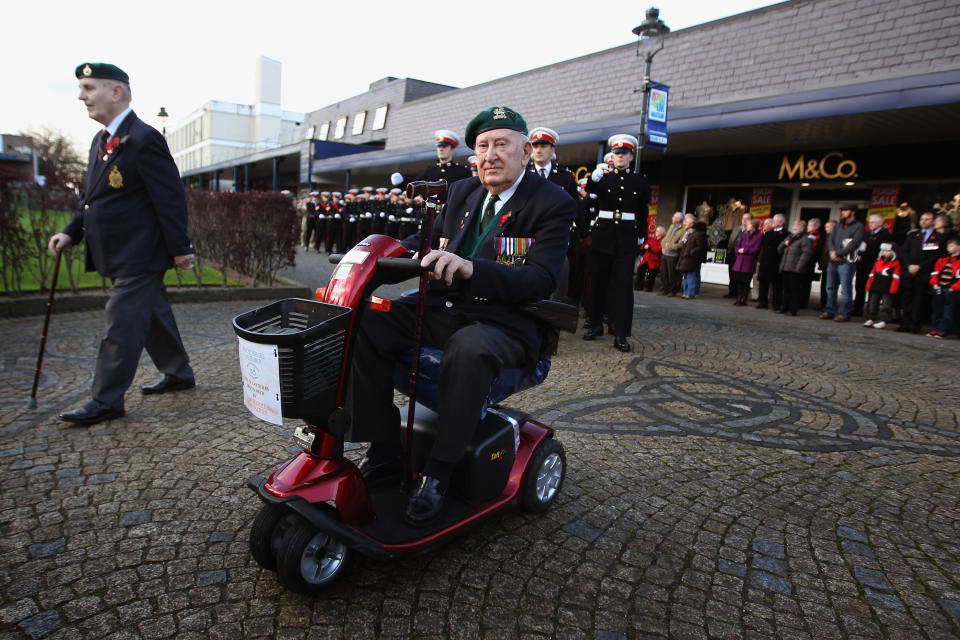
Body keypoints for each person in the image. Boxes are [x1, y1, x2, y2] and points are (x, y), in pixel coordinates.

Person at [349, 106, 576, 525]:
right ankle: (384, 450)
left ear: (526, 152)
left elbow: (541, 279)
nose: (489, 155)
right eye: (482, 146)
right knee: (366, 319)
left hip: (506, 323)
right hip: (445, 307)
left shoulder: (552, 203)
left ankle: (437, 474)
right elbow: (426, 239)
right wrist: (374, 256)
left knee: (468, 348)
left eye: (501, 145)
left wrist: (473, 268)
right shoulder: (463, 192)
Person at [48, 62, 195, 426]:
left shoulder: (144, 137)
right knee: (152, 316)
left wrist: (181, 248)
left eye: (89, 87)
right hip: (117, 252)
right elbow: (93, 198)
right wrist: (71, 231)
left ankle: (106, 399)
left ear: (116, 92)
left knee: (121, 324)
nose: (82, 96)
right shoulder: (101, 141)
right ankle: (179, 373)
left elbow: (170, 197)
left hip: (140, 253)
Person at [582, 134, 651, 351]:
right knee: (598, 282)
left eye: (624, 152)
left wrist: (641, 235)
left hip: (626, 237)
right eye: (616, 152)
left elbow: (643, 210)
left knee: (622, 287)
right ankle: (594, 324)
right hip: (603, 235)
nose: (620, 156)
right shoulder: (603, 177)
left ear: (631, 155)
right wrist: (593, 178)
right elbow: (591, 194)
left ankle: (621, 332)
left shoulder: (640, 180)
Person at [898, 211, 945, 333]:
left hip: (923, 273)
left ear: (933, 221)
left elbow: (935, 256)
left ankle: (915, 324)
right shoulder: (913, 235)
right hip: (909, 271)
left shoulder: (938, 237)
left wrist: (920, 266)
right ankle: (905, 323)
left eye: (927, 219)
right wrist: (909, 265)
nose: (923, 221)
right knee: (907, 298)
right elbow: (904, 251)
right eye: (922, 219)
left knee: (919, 300)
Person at [390, 129, 472, 195]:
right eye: (439, 146)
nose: (441, 149)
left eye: (444, 146)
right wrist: (402, 180)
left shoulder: (462, 171)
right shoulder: (430, 170)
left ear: (452, 150)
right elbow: (416, 184)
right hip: (431, 214)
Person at [820, 206, 865, 322]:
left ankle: (844, 313)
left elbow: (855, 243)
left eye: (846, 210)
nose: (843, 213)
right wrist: (831, 252)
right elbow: (831, 239)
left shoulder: (858, 226)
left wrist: (839, 253)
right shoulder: (839, 225)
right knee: (830, 287)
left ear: (852, 212)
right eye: (842, 211)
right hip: (833, 260)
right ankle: (829, 310)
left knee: (845, 288)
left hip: (847, 261)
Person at [853, 214, 893, 317]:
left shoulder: (885, 235)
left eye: (873, 222)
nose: (870, 224)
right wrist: (859, 255)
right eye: (869, 222)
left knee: (873, 289)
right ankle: (857, 309)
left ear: (880, 223)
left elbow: (880, 251)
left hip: (875, 266)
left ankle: (871, 311)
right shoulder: (866, 234)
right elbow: (860, 246)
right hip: (862, 265)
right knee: (860, 287)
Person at [776, 219, 814, 316]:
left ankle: (792, 309)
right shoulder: (790, 237)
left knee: (794, 290)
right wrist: (785, 244)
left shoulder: (804, 239)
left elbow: (806, 254)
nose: (794, 230)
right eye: (793, 228)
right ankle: (784, 307)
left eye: (796, 228)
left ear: (801, 229)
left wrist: (799, 267)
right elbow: (779, 249)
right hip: (786, 266)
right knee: (786, 289)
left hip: (795, 268)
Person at [927, 235, 960, 338]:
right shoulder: (943, 259)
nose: (949, 248)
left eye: (951, 246)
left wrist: (953, 288)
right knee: (937, 309)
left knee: (948, 310)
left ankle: (943, 329)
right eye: (948, 246)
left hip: (951, 288)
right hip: (940, 287)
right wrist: (934, 283)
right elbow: (935, 273)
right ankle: (935, 328)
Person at [864, 242, 901, 329]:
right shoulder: (878, 262)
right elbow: (872, 275)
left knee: (887, 304)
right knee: (873, 303)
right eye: (883, 250)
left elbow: (896, 277)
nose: (885, 252)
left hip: (887, 288)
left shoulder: (895, 264)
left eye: (888, 251)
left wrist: (893, 288)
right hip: (876, 286)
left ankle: (885, 320)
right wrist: (868, 285)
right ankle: (871, 318)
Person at [756, 214, 787, 310]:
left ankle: (776, 304)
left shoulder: (786, 234)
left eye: (775, 220)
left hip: (776, 262)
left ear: (781, 222)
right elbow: (764, 248)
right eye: (773, 220)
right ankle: (762, 302)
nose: (773, 222)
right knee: (763, 283)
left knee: (776, 285)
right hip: (765, 262)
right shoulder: (768, 233)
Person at [731, 217, 762, 306]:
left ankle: (743, 299)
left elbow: (756, 249)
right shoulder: (745, 235)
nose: (747, 226)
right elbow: (737, 245)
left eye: (749, 224)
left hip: (749, 262)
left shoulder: (759, 236)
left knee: (745, 281)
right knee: (738, 281)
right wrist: (738, 250)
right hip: (739, 261)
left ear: (753, 226)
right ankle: (738, 298)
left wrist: (745, 250)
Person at [676, 214, 705, 299]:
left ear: (692, 224)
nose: (685, 224)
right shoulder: (687, 233)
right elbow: (684, 243)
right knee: (685, 276)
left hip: (692, 258)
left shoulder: (698, 234)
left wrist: (690, 252)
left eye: (687, 223)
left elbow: (700, 247)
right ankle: (685, 292)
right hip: (685, 257)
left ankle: (690, 293)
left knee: (691, 276)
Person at [726, 212, 753, 298]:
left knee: (740, 277)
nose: (744, 220)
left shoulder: (750, 231)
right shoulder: (736, 228)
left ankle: (739, 294)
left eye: (747, 219)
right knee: (731, 274)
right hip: (733, 255)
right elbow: (731, 241)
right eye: (743, 218)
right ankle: (731, 292)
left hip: (743, 257)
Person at [659, 212, 685, 296]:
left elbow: (681, 242)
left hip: (673, 254)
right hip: (665, 252)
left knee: (672, 274)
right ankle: (664, 288)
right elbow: (666, 237)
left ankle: (672, 290)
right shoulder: (671, 226)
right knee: (664, 273)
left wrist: (672, 247)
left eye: (674, 217)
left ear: (678, 219)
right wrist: (663, 244)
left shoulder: (683, 229)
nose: (672, 218)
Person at [636, 226, 664, 291]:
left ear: (661, 232)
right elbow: (645, 245)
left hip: (654, 260)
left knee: (652, 273)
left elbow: (659, 249)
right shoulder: (652, 239)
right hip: (646, 258)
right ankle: (638, 286)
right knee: (640, 270)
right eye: (656, 230)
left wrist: (650, 248)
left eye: (658, 231)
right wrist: (643, 248)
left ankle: (649, 287)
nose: (656, 232)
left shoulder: (662, 241)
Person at [818, 219, 836, 310]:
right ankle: (823, 304)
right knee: (823, 285)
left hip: (832, 265)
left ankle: (828, 305)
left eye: (829, 227)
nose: (826, 229)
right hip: (825, 265)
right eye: (826, 227)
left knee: (829, 286)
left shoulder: (836, 238)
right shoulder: (826, 237)